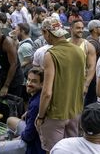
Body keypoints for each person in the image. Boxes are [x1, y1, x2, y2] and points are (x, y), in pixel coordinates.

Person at [35, 17, 86, 151]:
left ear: (47, 32)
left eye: (44, 34)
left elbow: (47, 93)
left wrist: (40, 116)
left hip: (55, 114)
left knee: (54, 151)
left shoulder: (51, 54)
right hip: (75, 111)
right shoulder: (79, 51)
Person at [0, 68, 45, 154]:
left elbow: (29, 136)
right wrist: (28, 112)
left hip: (32, 144)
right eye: (28, 80)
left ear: (42, 84)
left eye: (34, 81)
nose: (29, 83)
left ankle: (10, 144)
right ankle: (9, 143)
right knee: (10, 120)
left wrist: (18, 138)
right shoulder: (39, 95)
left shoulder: (36, 104)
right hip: (35, 133)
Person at [0, 18, 24, 98]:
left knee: (12, 106)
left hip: (14, 79)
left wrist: (6, 86)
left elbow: (14, 64)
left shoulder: (8, 42)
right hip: (4, 75)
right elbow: (1, 59)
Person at [68, 20, 96, 104]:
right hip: (65, 82)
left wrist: (86, 85)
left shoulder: (88, 46)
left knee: (77, 111)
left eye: (82, 28)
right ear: (71, 29)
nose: (81, 30)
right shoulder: (64, 44)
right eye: (78, 28)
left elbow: (92, 67)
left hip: (79, 84)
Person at [86, 19, 100, 105]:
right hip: (92, 77)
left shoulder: (92, 40)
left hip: (93, 76)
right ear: (95, 29)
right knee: (90, 101)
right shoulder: (92, 43)